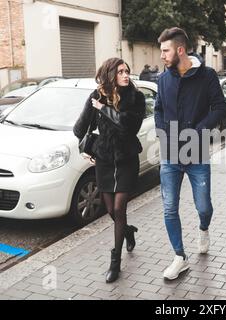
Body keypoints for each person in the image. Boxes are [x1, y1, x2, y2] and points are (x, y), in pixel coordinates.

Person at [154, 27, 226, 280]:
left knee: (203, 206)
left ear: (180, 50)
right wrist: (163, 133)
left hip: (197, 154)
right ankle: (179, 257)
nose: (161, 55)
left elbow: (220, 109)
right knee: (169, 208)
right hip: (170, 155)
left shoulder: (207, 76)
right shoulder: (163, 80)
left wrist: (198, 130)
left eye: (165, 50)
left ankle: (204, 228)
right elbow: (158, 110)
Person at [73, 58, 145, 283]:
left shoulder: (136, 98)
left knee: (119, 208)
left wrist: (103, 109)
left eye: (127, 71)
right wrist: (92, 103)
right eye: (121, 72)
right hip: (104, 159)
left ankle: (115, 263)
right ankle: (128, 231)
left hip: (126, 159)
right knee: (112, 212)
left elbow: (129, 127)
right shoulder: (97, 96)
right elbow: (79, 129)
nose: (126, 75)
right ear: (110, 74)